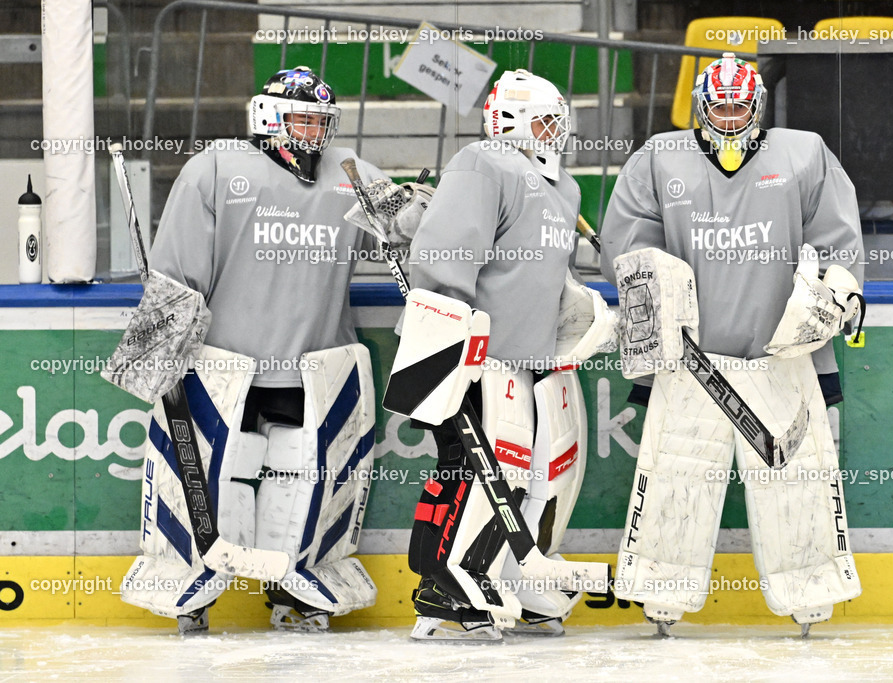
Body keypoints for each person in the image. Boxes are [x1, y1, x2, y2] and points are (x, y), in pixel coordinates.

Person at [114, 66, 415, 633]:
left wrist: (423, 211)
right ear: (267, 118)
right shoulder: (217, 168)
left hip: (314, 372)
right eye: (303, 119)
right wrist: (157, 358)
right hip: (225, 371)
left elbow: (408, 228)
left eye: (323, 121)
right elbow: (177, 274)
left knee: (304, 491)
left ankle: (295, 593)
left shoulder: (351, 172)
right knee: (205, 486)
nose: (314, 132)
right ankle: (190, 591)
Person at [599, 53, 864, 635]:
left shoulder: (804, 154)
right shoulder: (657, 160)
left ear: (759, 107)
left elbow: (838, 240)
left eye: (739, 104)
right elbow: (626, 247)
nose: (728, 114)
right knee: (676, 478)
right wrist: (650, 286)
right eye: (718, 104)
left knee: (797, 479)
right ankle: (662, 592)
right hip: (691, 365)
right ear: (700, 106)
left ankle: (810, 589)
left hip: (782, 360)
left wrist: (839, 291)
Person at [385, 69, 617, 640]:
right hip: (479, 358)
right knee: (474, 474)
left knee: (537, 477)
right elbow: (445, 258)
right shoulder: (481, 163)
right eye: (545, 120)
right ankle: (447, 589)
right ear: (511, 120)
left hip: (534, 362)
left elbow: (545, 273)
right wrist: (447, 346)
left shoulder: (566, 189)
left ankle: (513, 577)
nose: (556, 132)